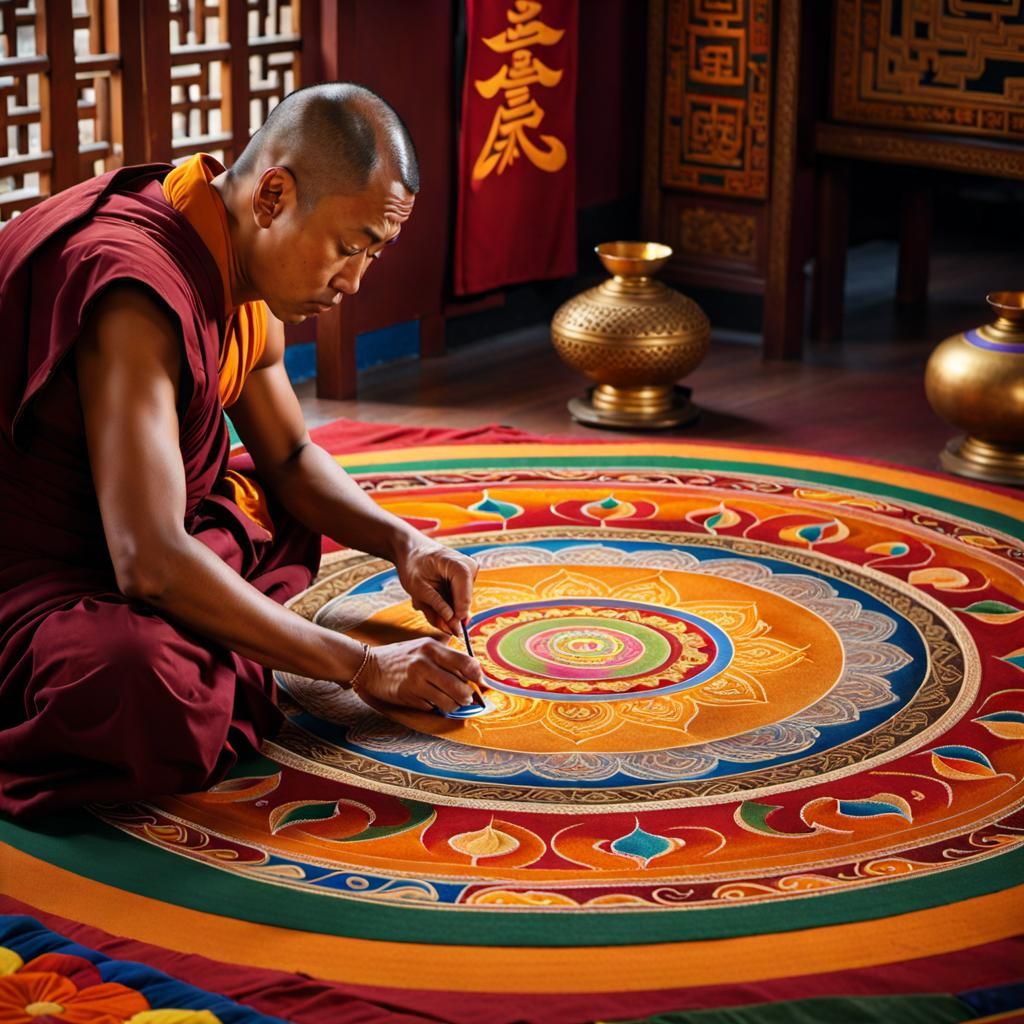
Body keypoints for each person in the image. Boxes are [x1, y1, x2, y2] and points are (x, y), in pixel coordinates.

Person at [0, 83, 483, 818]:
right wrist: (361, 666)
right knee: (139, 682)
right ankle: (219, 640)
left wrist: (403, 543)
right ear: (273, 195)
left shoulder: (231, 256)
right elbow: (151, 562)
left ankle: (227, 634)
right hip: (38, 563)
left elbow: (289, 456)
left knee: (274, 505)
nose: (352, 282)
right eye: (348, 249)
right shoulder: (137, 296)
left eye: (372, 255)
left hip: (134, 530)